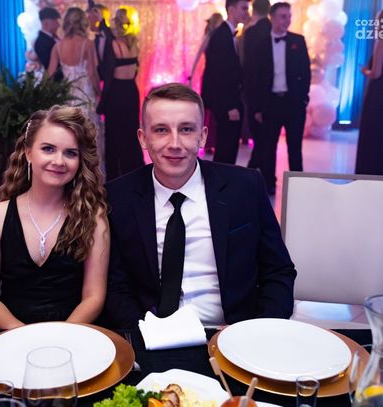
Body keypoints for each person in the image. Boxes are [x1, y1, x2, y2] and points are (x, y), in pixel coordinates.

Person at [102, 83, 296, 329]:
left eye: (186, 129)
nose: (174, 143)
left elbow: (278, 272)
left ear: (202, 136)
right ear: (143, 138)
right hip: (151, 334)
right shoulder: (118, 197)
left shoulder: (245, 187)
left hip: (231, 333)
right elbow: (115, 287)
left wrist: (254, 331)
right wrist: (146, 333)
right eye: (161, 130)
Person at [0, 105, 109, 330]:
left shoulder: (94, 218)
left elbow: (94, 297)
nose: (59, 161)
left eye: (70, 153)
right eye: (48, 149)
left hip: (72, 334)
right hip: (11, 334)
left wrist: (58, 337)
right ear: (28, 153)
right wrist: (24, 335)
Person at [253, 2, 310, 195]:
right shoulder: (261, 45)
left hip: (293, 103)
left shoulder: (298, 41)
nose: (287, 20)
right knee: (268, 146)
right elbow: (256, 78)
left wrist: (303, 99)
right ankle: (269, 182)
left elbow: (306, 73)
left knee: (295, 146)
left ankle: (297, 185)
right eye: (283, 16)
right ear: (272, 18)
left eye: (289, 16)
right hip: (271, 103)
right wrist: (257, 108)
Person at [202, 0, 250, 164]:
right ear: (231, 9)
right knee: (226, 147)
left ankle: (224, 177)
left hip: (230, 99)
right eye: (244, 8)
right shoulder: (222, 35)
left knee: (228, 146)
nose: (247, 12)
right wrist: (230, 105)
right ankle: (222, 178)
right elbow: (220, 74)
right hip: (226, 102)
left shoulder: (229, 34)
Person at [103, 7, 144, 181]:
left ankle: (115, 174)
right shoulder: (134, 42)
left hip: (117, 90)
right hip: (131, 90)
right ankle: (133, 169)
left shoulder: (113, 43)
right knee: (131, 131)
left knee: (114, 133)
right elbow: (136, 69)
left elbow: (107, 71)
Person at [48, 7, 101, 129]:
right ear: (83, 23)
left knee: (71, 130)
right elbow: (92, 73)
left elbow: (49, 76)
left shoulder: (57, 46)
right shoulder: (88, 44)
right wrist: (99, 92)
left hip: (67, 94)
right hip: (86, 93)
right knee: (88, 130)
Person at [188, 12, 224, 154]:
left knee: (215, 110)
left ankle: (213, 142)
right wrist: (191, 75)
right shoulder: (209, 36)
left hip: (217, 76)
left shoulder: (219, 37)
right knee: (209, 110)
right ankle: (208, 143)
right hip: (210, 77)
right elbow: (198, 55)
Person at [242, 0, 271, 169]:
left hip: (253, 89)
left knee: (258, 134)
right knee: (266, 137)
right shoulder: (272, 29)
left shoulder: (251, 32)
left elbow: (248, 64)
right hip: (271, 92)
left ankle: (253, 170)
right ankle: (262, 172)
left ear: (254, 10)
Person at [355, 9, 383, 176]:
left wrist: (364, 70)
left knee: (373, 134)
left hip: (378, 94)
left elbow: (376, 73)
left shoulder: (381, 42)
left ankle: (370, 172)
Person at [87, 2, 115, 115]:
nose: (89, 20)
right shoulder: (84, 37)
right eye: (89, 17)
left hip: (109, 86)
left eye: (93, 17)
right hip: (89, 84)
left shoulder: (110, 35)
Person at [34, 7, 62, 81]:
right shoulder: (42, 42)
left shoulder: (53, 38)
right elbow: (50, 64)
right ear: (46, 23)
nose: (58, 25)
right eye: (55, 21)